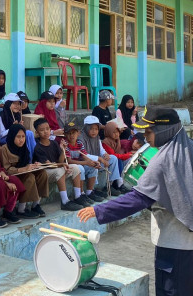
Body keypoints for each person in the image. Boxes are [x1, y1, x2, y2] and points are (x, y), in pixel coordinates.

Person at [77, 106, 193, 296]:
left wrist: (99, 211)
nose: (145, 138)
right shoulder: (188, 148)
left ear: (164, 130)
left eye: (149, 132)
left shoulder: (163, 160)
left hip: (173, 246)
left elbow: (137, 199)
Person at [0, 124, 49, 219]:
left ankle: (36, 205)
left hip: (23, 172)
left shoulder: (24, 148)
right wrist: (24, 169)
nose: (21, 140)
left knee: (42, 173)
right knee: (30, 177)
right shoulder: (4, 149)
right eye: (18, 137)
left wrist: (35, 165)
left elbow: (27, 162)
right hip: (11, 176)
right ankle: (21, 209)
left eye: (23, 136)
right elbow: (7, 170)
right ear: (12, 136)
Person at [33, 118, 83, 211]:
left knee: (75, 168)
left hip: (56, 168)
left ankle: (78, 196)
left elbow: (59, 160)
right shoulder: (38, 147)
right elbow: (49, 165)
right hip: (46, 172)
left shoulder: (54, 143)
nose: (46, 132)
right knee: (60, 170)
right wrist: (63, 165)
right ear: (37, 133)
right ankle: (65, 201)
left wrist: (62, 150)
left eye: (47, 129)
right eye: (42, 130)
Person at [79, 116, 128, 196]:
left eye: (96, 129)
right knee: (94, 164)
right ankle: (90, 191)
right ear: (86, 128)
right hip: (84, 163)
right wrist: (100, 158)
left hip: (96, 161)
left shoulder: (97, 138)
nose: (94, 131)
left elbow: (101, 150)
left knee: (113, 158)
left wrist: (105, 155)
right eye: (91, 129)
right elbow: (84, 155)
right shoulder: (81, 138)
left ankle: (110, 185)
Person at [64, 122, 104, 204]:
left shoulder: (79, 143)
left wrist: (92, 162)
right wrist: (85, 163)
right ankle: (80, 194)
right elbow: (69, 160)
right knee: (81, 169)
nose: (72, 135)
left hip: (80, 163)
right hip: (70, 165)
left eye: (74, 133)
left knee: (93, 168)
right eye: (69, 133)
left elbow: (85, 155)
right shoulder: (65, 144)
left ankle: (89, 192)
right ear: (65, 134)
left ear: (78, 133)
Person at [0, 94, 36, 159]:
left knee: (29, 133)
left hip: (16, 136)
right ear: (8, 104)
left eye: (18, 104)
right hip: (4, 138)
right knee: (28, 134)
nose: (17, 106)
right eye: (14, 103)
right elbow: (2, 134)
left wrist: (20, 127)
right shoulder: (1, 116)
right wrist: (13, 127)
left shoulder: (18, 115)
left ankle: (34, 157)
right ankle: (29, 160)